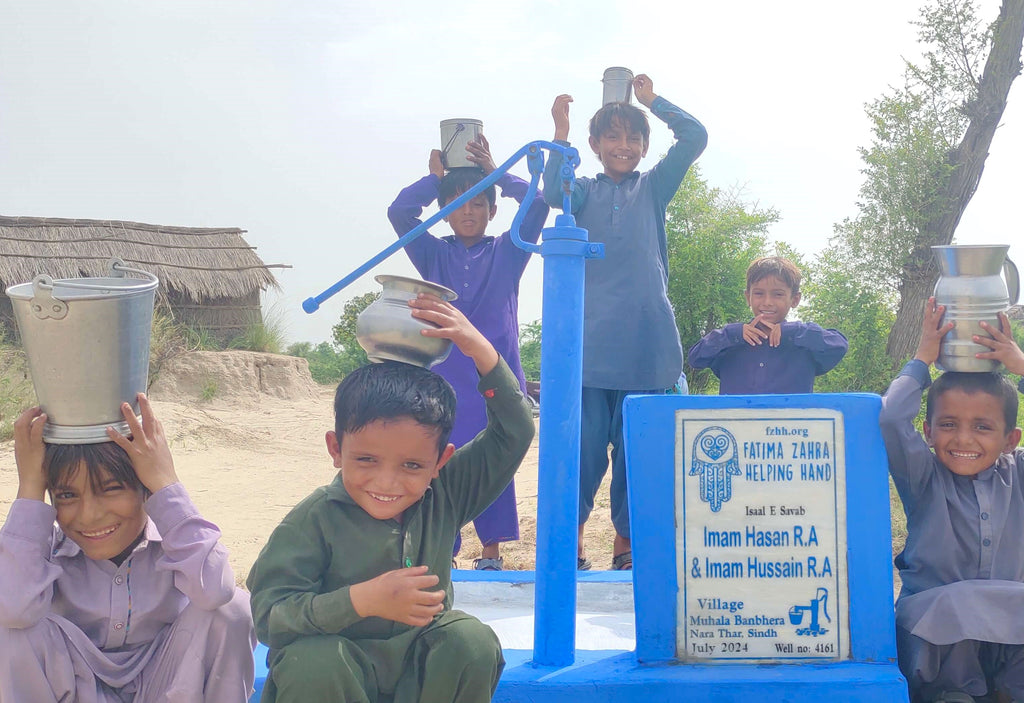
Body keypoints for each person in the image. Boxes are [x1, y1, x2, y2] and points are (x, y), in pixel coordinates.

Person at [247, 295, 535, 702]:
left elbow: (515, 431)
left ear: (440, 462)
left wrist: (480, 350)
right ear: (335, 448)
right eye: (366, 459)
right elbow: (269, 617)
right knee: (312, 660)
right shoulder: (313, 519)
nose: (387, 482)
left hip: (421, 681)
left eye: (412, 465)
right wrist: (360, 601)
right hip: (337, 680)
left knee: (469, 640)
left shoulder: (445, 494)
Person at [543, 73, 707, 570]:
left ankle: (626, 548)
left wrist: (652, 101)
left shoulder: (654, 187)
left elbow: (695, 136)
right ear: (594, 145)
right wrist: (560, 133)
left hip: (646, 346)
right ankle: (570, 544)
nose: (624, 145)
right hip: (588, 350)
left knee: (638, 457)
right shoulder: (582, 191)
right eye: (612, 136)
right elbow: (551, 192)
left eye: (634, 137)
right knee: (581, 452)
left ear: (645, 147)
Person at [0, 395, 256, 703]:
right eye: (67, 495)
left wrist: (166, 482)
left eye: (111, 489)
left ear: (145, 488)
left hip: (164, 689)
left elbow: (217, 591)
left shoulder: (178, 544)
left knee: (233, 610)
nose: (89, 515)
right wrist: (30, 487)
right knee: (12, 628)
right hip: (76, 690)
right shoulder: (43, 553)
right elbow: (11, 607)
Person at [387, 133, 548, 570]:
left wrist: (498, 173)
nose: (468, 211)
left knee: (496, 460)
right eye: (457, 203)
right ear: (444, 209)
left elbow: (537, 204)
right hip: (444, 380)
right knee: (442, 460)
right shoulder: (432, 253)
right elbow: (399, 212)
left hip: (496, 379)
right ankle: (446, 548)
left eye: (479, 203)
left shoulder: (509, 250)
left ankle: (491, 553)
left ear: (493, 211)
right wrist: (433, 179)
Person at [880, 298, 1024, 703]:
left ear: (1010, 439)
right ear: (927, 431)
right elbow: (890, 418)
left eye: (982, 427)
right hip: (939, 639)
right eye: (948, 424)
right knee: (952, 604)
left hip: (1008, 629)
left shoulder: (1018, 472)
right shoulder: (923, 476)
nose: (963, 439)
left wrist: (1020, 365)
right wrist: (923, 359)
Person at [687, 256, 848, 394]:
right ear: (748, 297)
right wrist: (731, 334)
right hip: (737, 422)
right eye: (759, 293)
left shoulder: (804, 342)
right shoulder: (730, 341)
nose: (767, 302)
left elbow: (839, 346)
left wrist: (793, 331)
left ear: (795, 299)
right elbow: (695, 358)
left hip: (790, 422)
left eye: (778, 294)